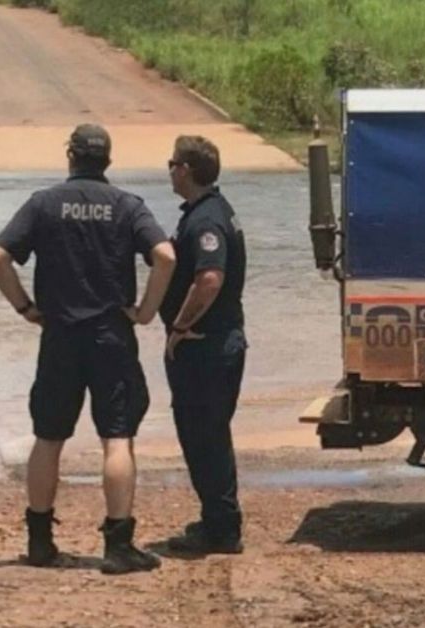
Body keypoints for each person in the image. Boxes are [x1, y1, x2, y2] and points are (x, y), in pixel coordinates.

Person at [0, 124, 175, 575]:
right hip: (110, 336)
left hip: (60, 336)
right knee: (117, 438)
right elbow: (165, 255)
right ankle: (118, 545)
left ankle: (39, 542)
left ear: (70, 155)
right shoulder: (128, 206)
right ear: (107, 160)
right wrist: (147, 311)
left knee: (48, 437)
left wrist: (24, 307)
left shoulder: (44, 204)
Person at [160, 135, 248, 554]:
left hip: (205, 346)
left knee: (203, 435)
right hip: (217, 342)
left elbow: (209, 279)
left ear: (186, 170)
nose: (169, 169)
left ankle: (222, 529)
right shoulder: (210, 211)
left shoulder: (206, 221)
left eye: (172, 163)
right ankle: (218, 520)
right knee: (210, 434)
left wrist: (179, 326)